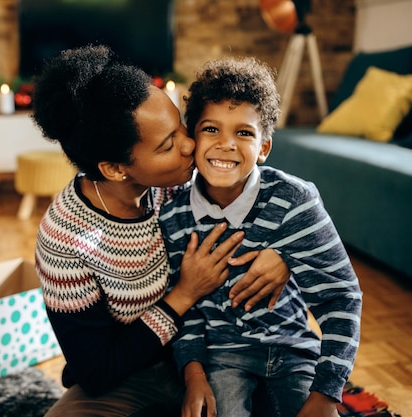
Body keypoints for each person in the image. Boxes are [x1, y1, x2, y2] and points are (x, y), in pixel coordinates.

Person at [30, 45, 292, 417]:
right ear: (115, 169)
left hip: (222, 351)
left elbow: (273, 195)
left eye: (180, 125)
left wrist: (284, 255)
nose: (190, 144)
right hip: (131, 373)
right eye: (168, 144)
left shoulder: (184, 180)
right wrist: (184, 294)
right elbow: (96, 370)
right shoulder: (66, 239)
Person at [159, 56, 363, 417]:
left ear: (264, 147)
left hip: (294, 347)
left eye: (244, 132)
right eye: (211, 129)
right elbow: (185, 310)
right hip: (221, 355)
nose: (226, 144)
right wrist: (193, 374)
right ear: (191, 137)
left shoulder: (295, 201)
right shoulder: (174, 214)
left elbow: (340, 296)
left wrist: (327, 394)